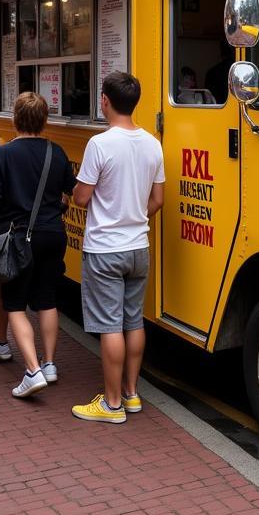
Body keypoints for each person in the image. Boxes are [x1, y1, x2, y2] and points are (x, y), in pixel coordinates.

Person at [71, 71, 164, 424]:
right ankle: (131, 393)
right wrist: (134, 214)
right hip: (138, 245)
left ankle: (111, 405)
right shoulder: (152, 143)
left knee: (110, 326)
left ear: (105, 101)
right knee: (133, 322)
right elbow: (158, 200)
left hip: (105, 248)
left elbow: (81, 197)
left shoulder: (100, 144)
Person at [0, 92, 77, 398]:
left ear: (15, 119)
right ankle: (50, 363)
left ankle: (32, 369)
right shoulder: (57, 151)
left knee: (14, 304)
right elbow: (70, 191)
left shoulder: (3, 155)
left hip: (18, 236)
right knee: (47, 300)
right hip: (53, 234)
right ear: (44, 120)